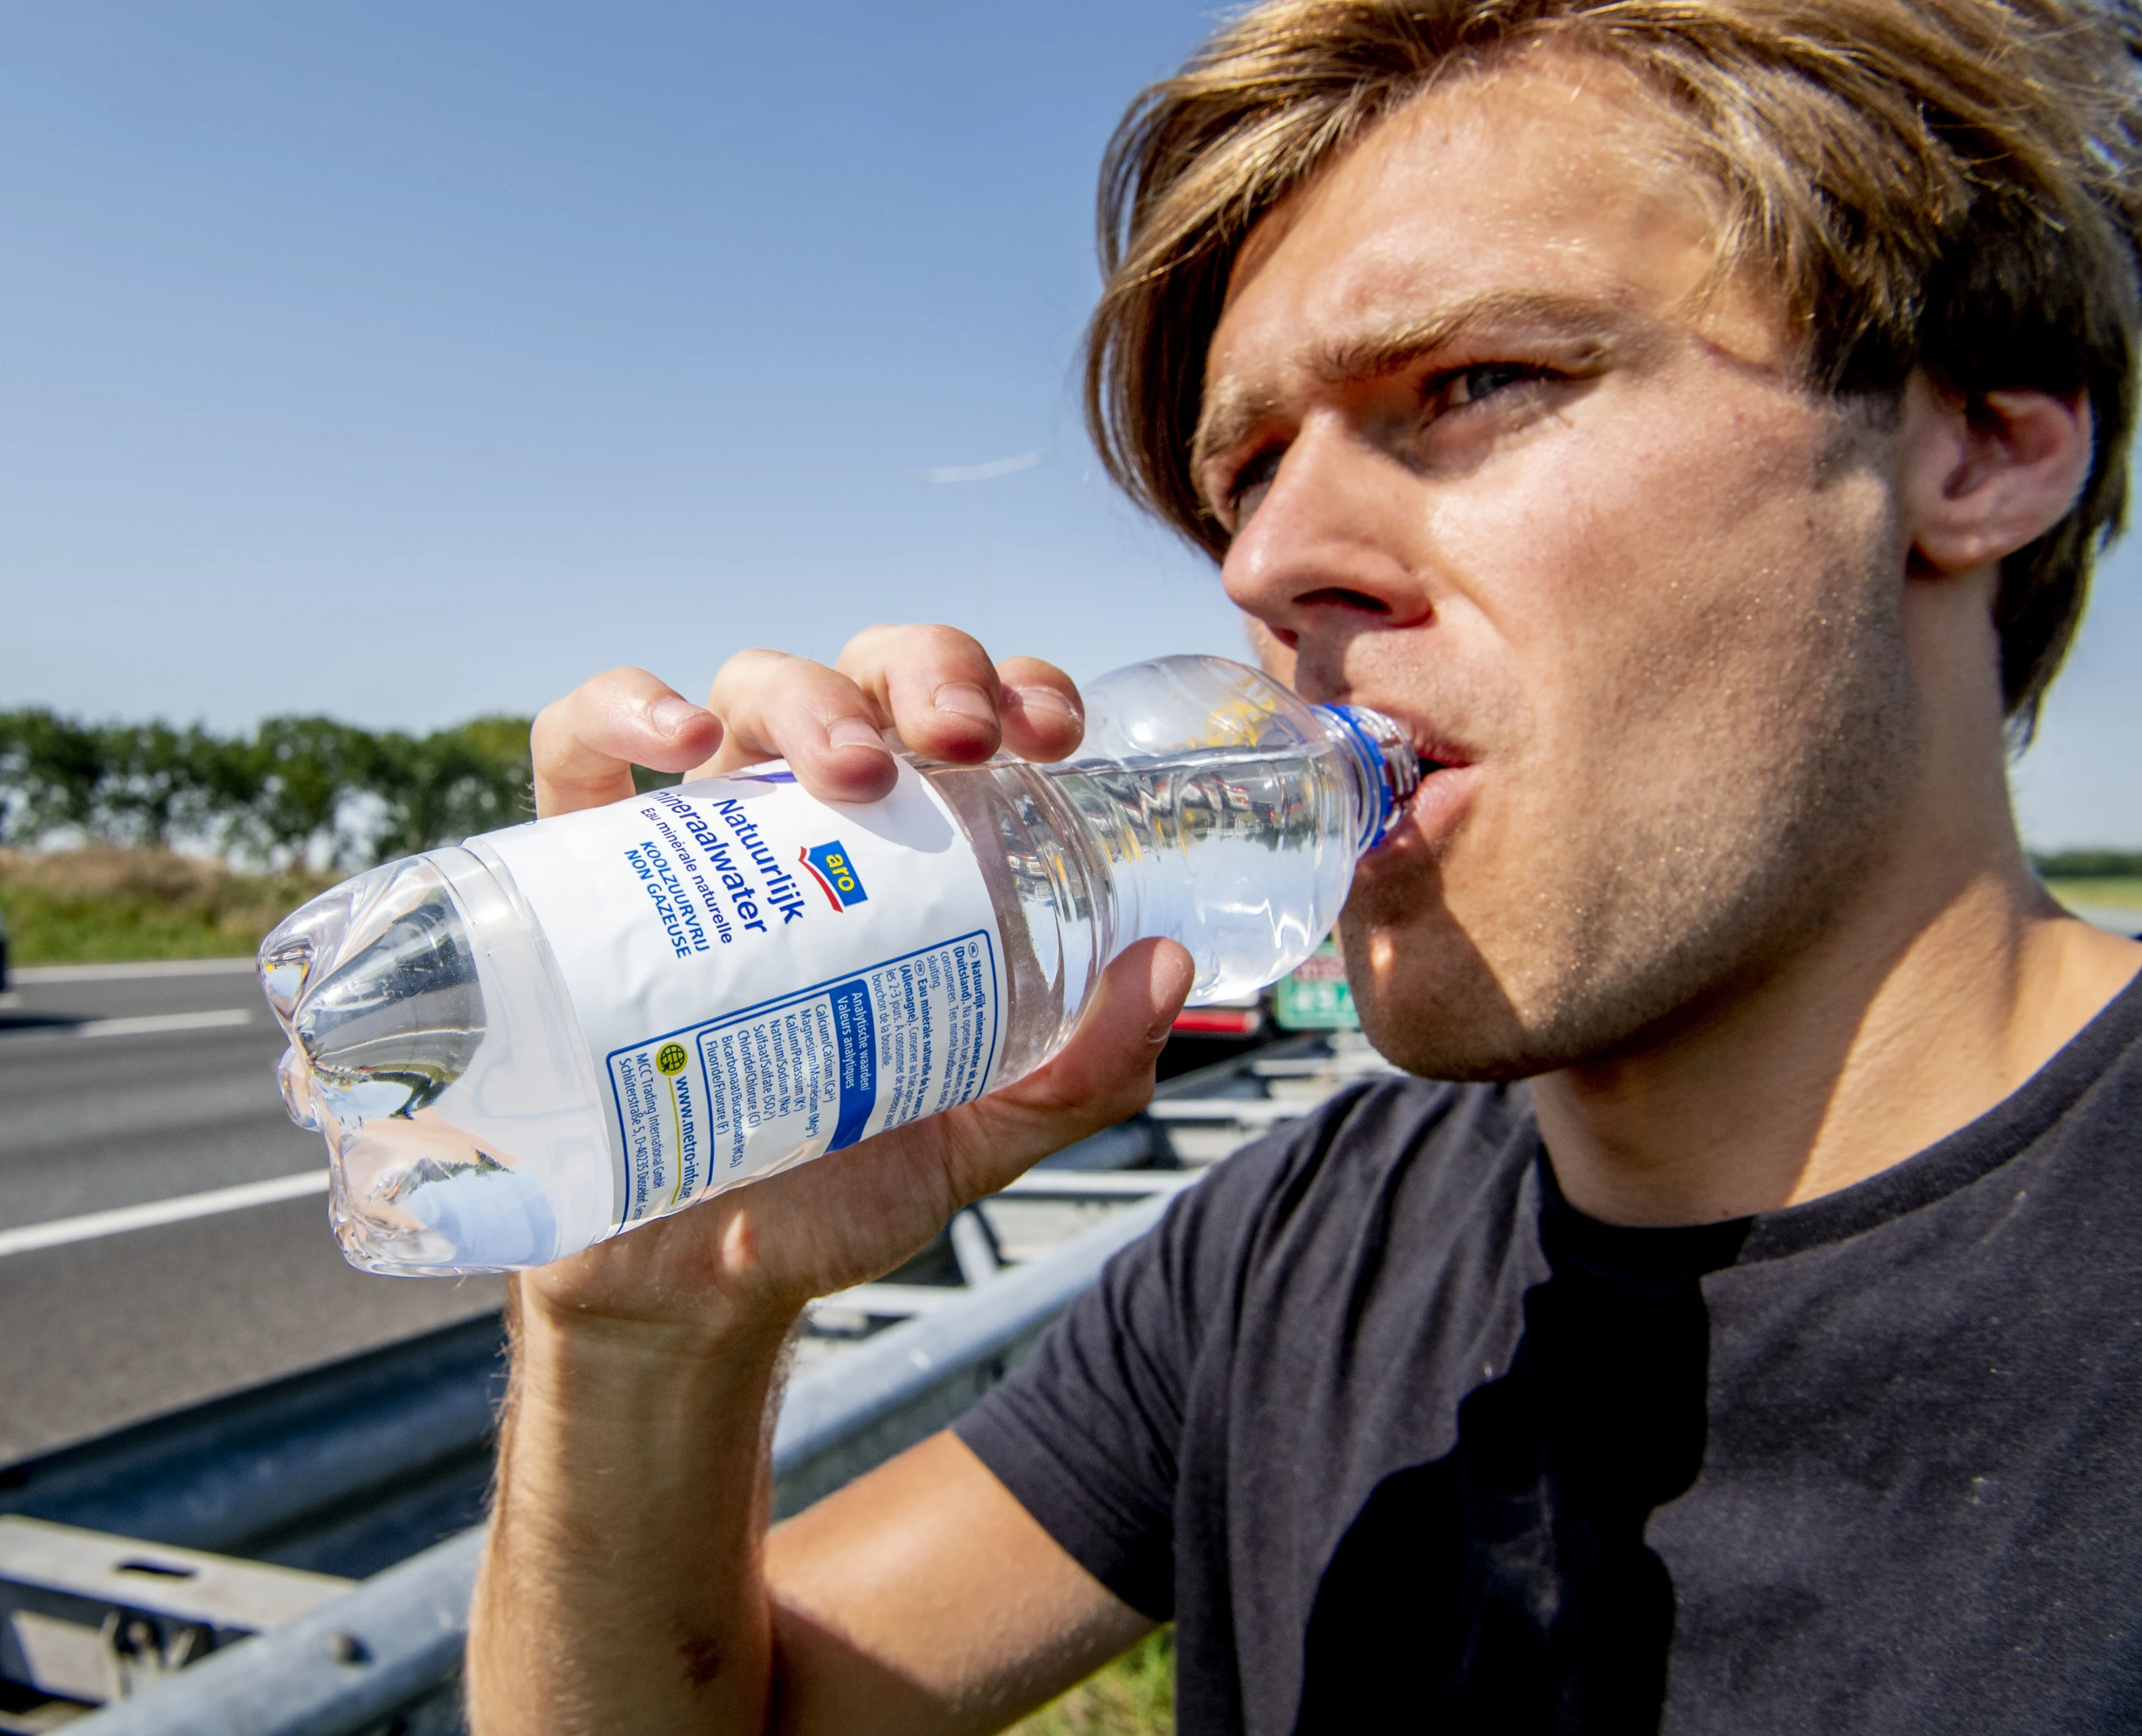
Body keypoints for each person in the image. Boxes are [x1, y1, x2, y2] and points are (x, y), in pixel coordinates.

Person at [467, 0, 2142, 1729]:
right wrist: (645, 1336)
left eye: (1479, 382)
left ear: (1980, 448)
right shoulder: (1292, 1250)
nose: (1265, 565)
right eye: (1248, 473)